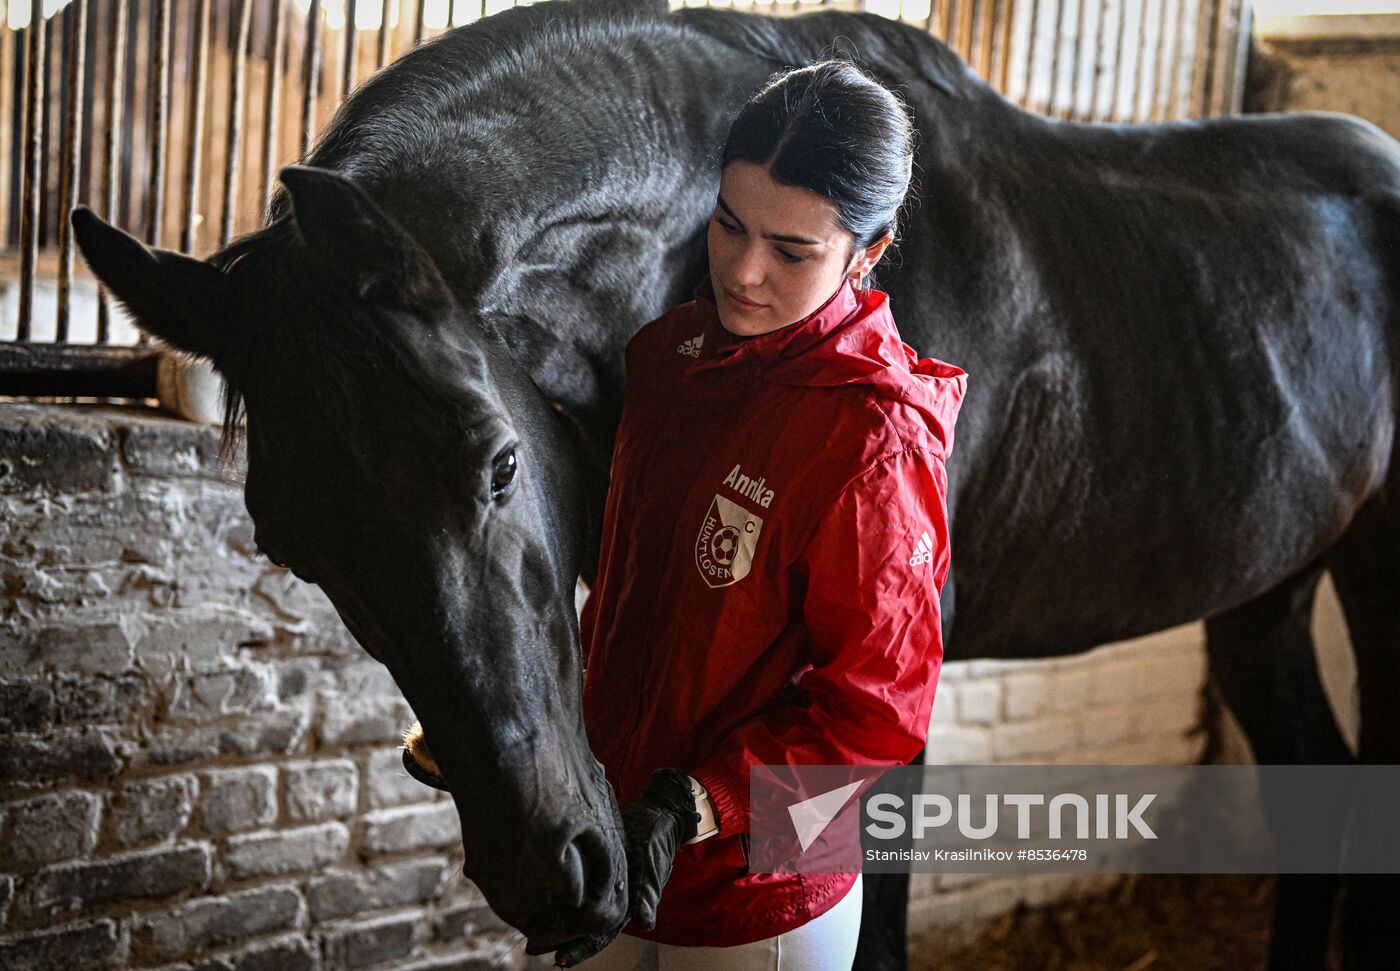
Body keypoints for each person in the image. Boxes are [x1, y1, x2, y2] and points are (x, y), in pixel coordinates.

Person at [557, 58, 967, 970]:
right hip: (614, 842)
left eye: (791, 251)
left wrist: (697, 802)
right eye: (728, 226)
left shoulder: (872, 438)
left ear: (869, 250)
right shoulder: (670, 359)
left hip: (762, 893)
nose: (742, 273)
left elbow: (877, 715)